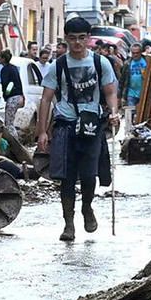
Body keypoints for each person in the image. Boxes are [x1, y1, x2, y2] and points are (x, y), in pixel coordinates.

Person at [36, 17, 119, 243]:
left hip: (92, 126)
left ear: (88, 39)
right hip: (65, 125)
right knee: (66, 177)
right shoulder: (58, 66)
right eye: (72, 39)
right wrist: (43, 131)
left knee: (90, 174)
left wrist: (113, 112)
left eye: (82, 38)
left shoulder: (101, 63)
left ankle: (87, 207)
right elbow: (45, 99)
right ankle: (69, 223)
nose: (77, 43)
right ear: (66, 39)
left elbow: (110, 92)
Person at [0, 48, 25, 132]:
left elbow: (5, 84)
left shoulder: (5, 70)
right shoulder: (14, 68)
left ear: (3, 59)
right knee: (11, 120)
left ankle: (13, 140)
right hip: (19, 96)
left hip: (12, 97)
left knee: (9, 123)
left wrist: (5, 95)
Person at [124, 43, 149, 128]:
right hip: (131, 92)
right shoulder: (127, 63)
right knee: (129, 113)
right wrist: (120, 95)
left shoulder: (146, 62)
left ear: (141, 52)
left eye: (137, 53)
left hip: (143, 93)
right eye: (133, 53)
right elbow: (122, 80)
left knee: (142, 114)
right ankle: (128, 131)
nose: (135, 55)